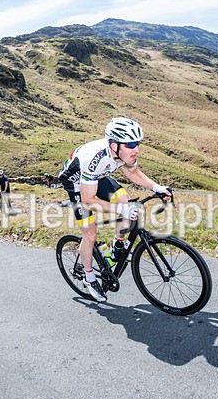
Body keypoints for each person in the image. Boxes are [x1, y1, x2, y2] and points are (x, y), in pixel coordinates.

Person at [58, 117, 172, 302]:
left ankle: (117, 244)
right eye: (131, 144)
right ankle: (89, 277)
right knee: (90, 234)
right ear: (114, 145)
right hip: (77, 184)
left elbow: (132, 172)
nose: (136, 149)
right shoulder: (93, 159)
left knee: (126, 201)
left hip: (99, 177)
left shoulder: (122, 152)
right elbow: (88, 201)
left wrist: (156, 188)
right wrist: (122, 210)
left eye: (137, 143)